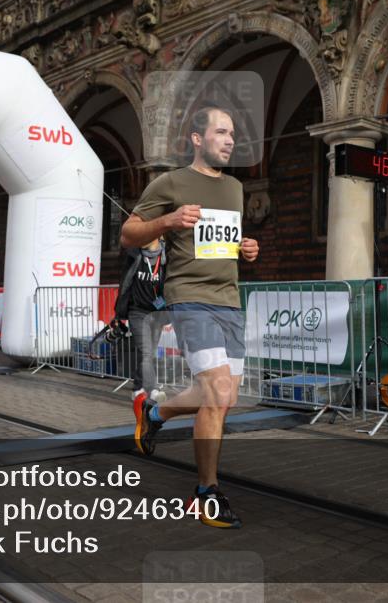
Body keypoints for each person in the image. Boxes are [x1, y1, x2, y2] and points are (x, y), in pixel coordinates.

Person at [120, 106, 259, 529]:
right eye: (221, 132)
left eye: (232, 134)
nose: (230, 140)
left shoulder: (235, 188)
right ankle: (205, 492)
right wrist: (167, 220)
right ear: (197, 139)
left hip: (229, 300)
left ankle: (154, 414)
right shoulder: (171, 182)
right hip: (190, 299)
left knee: (223, 398)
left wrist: (245, 248)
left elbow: (220, 243)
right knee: (216, 393)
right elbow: (128, 234)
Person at [113, 236, 168, 419]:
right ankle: (152, 390)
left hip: (157, 313)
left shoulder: (167, 256)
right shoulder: (134, 255)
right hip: (137, 312)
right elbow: (125, 283)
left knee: (149, 353)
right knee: (146, 352)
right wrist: (120, 312)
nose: (142, 237)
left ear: (157, 235)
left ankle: (138, 387)